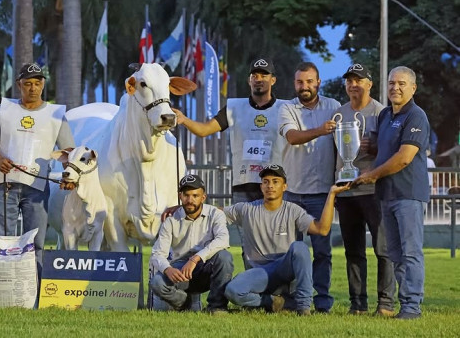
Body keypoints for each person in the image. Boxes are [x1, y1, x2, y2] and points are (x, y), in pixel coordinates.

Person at [352, 66, 430, 320]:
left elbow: (404, 158)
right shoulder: (385, 114)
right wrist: (371, 147)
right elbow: (386, 151)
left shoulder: (416, 116)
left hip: (408, 194)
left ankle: (412, 307)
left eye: (402, 84)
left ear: (413, 88)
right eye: (392, 83)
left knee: (410, 252)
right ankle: (405, 304)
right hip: (386, 194)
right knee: (395, 253)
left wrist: (371, 175)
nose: (395, 88)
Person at [223, 165, 350, 315]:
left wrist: (331, 194)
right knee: (233, 291)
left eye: (275, 181)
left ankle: (303, 307)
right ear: (261, 186)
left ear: (284, 187)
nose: (270, 185)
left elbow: (321, 229)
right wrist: (191, 206)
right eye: (266, 181)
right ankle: (274, 302)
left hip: (284, 270)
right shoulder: (245, 209)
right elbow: (216, 214)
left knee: (299, 248)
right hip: (259, 273)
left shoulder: (293, 210)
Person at [0, 63, 75, 270]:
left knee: (36, 243)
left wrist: (70, 176)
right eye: (27, 83)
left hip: (37, 188)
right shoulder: (4, 109)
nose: (32, 88)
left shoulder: (55, 114)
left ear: (43, 84)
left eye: (37, 83)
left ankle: (35, 291)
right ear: (19, 85)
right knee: (0, 241)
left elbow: (68, 151)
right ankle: (1, 290)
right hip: (5, 185)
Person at [174, 58, 286, 203]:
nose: (259, 79)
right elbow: (204, 130)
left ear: (273, 80)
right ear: (249, 80)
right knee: (244, 226)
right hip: (244, 186)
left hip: (275, 186)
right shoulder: (234, 107)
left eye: (264, 76)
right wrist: (184, 119)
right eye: (254, 76)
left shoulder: (286, 108)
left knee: (275, 226)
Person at [331, 64, 395, 316]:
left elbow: (393, 152)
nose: (353, 85)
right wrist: (334, 186)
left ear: (370, 84)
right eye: (349, 81)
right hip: (346, 190)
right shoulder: (339, 113)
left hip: (374, 190)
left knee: (383, 250)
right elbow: (332, 153)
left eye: (359, 80)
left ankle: (386, 303)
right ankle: (357, 304)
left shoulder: (381, 112)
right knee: (353, 251)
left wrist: (377, 147)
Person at [278, 61, 341, 313]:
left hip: (322, 192)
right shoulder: (286, 107)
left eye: (309, 81)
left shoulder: (334, 107)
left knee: (322, 253)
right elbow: (292, 137)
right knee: (290, 253)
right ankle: (291, 300)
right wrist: (320, 130)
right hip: (292, 191)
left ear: (318, 83)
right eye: (299, 82)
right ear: (294, 84)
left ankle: (322, 301)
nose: (304, 86)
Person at [149, 175, 233, 313]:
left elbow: (223, 240)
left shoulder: (215, 214)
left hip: (206, 268)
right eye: (186, 195)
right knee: (157, 283)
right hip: (180, 271)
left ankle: (217, 307)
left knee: (224, 257)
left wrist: (195, 258)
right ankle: (184, 303)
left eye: (195, 195)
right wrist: (167, 269)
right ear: (180, 196)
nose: (190, 200)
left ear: (203, 197)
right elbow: (157, 254)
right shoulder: (170, 220)